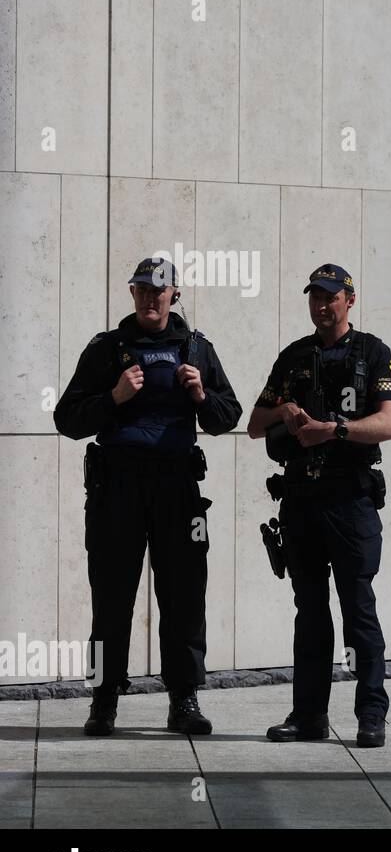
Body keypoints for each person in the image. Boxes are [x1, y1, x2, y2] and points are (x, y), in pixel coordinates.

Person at [54, 257, 242, 736]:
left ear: (174, 293)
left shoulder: (195, 348)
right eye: (142, 289)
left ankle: (184, 700)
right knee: (110, 597)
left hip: (178, 488)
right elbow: (67, 419)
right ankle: (102, 701)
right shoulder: (107, 349)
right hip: (116, 486)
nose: (151, 297)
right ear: (132, 293)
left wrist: (202, 397)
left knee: (183, 595)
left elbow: (228, 416)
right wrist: (112, 398)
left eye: (160, 289)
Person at [247, 263, 391, 748]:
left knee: (358, 610)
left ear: (349, 300)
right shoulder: (294, 357)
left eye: (331, 296)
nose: (322, 303)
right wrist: (284, 411)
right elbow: (254, 423)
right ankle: (308, 716)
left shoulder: (373, 352)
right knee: (310, 612)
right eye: (315, 295)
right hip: (301, 502)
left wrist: (333, 430)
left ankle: (370, 714)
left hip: (350, 501)